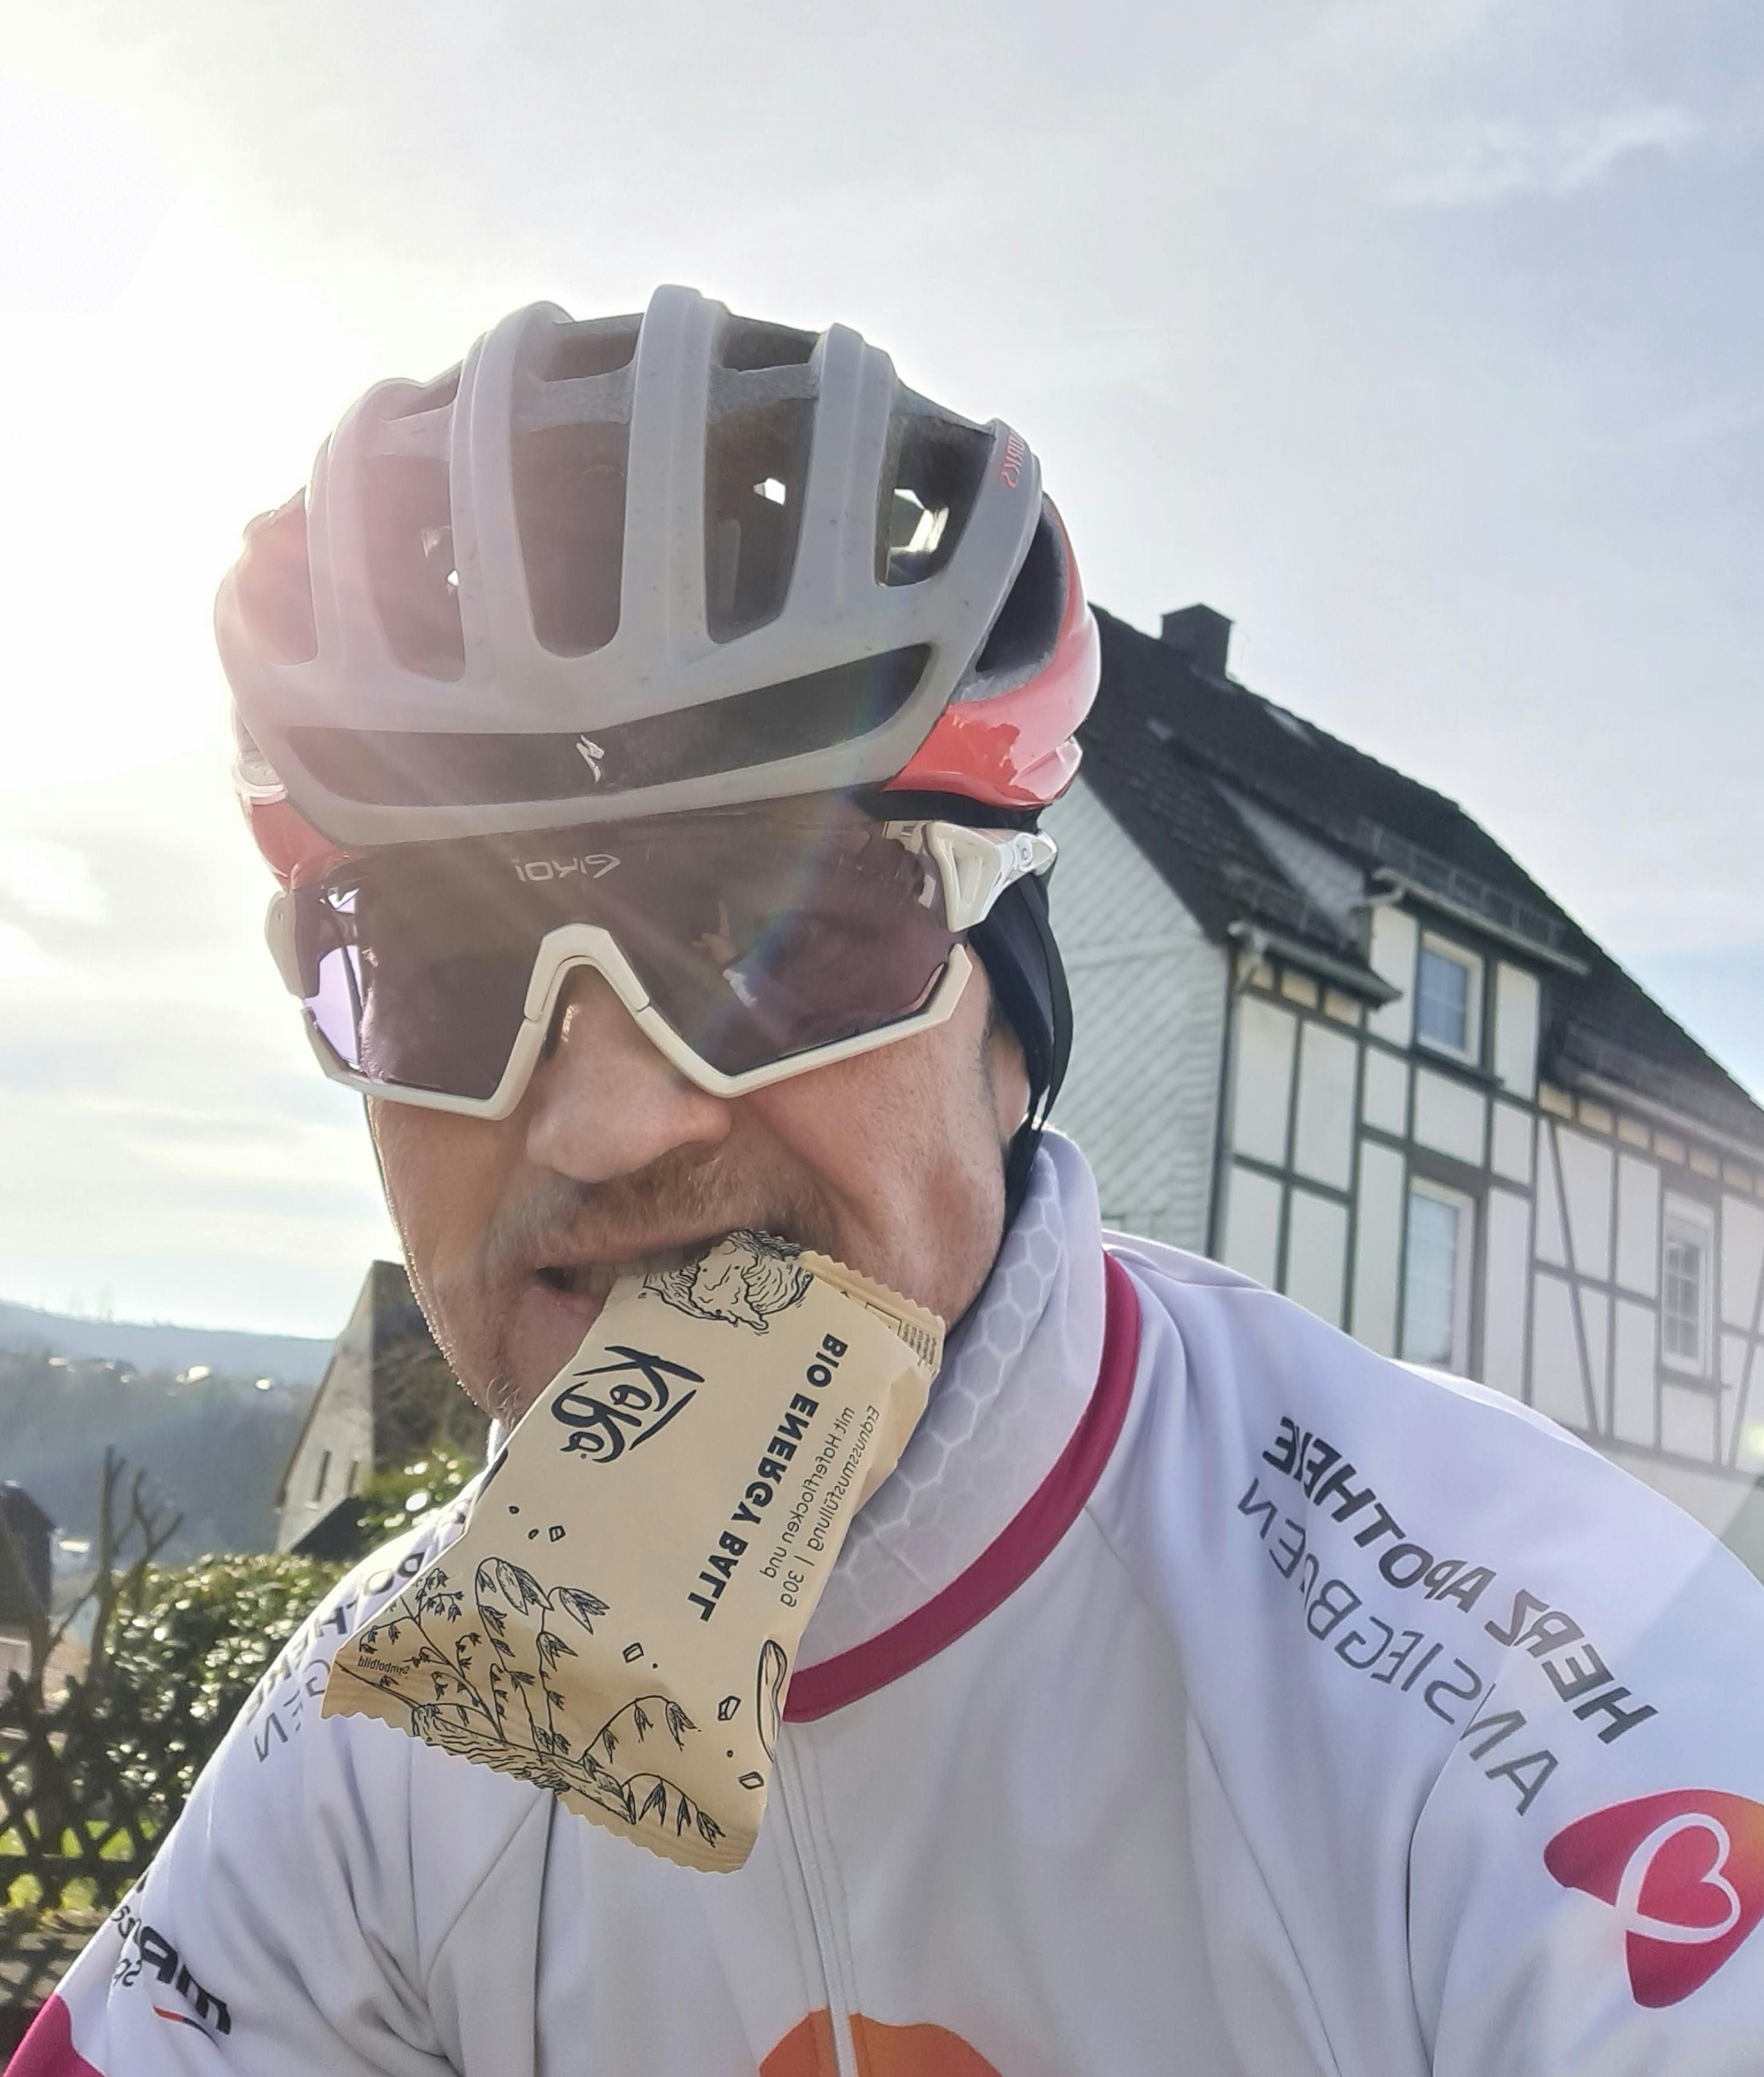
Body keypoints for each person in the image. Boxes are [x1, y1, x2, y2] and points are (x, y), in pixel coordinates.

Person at [21, 286, 1764, 2076]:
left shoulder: (1516, 1659)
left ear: (1008, 1032)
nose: (612, 1124)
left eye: (775, 932)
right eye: (445, 965)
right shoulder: (370, 1741)